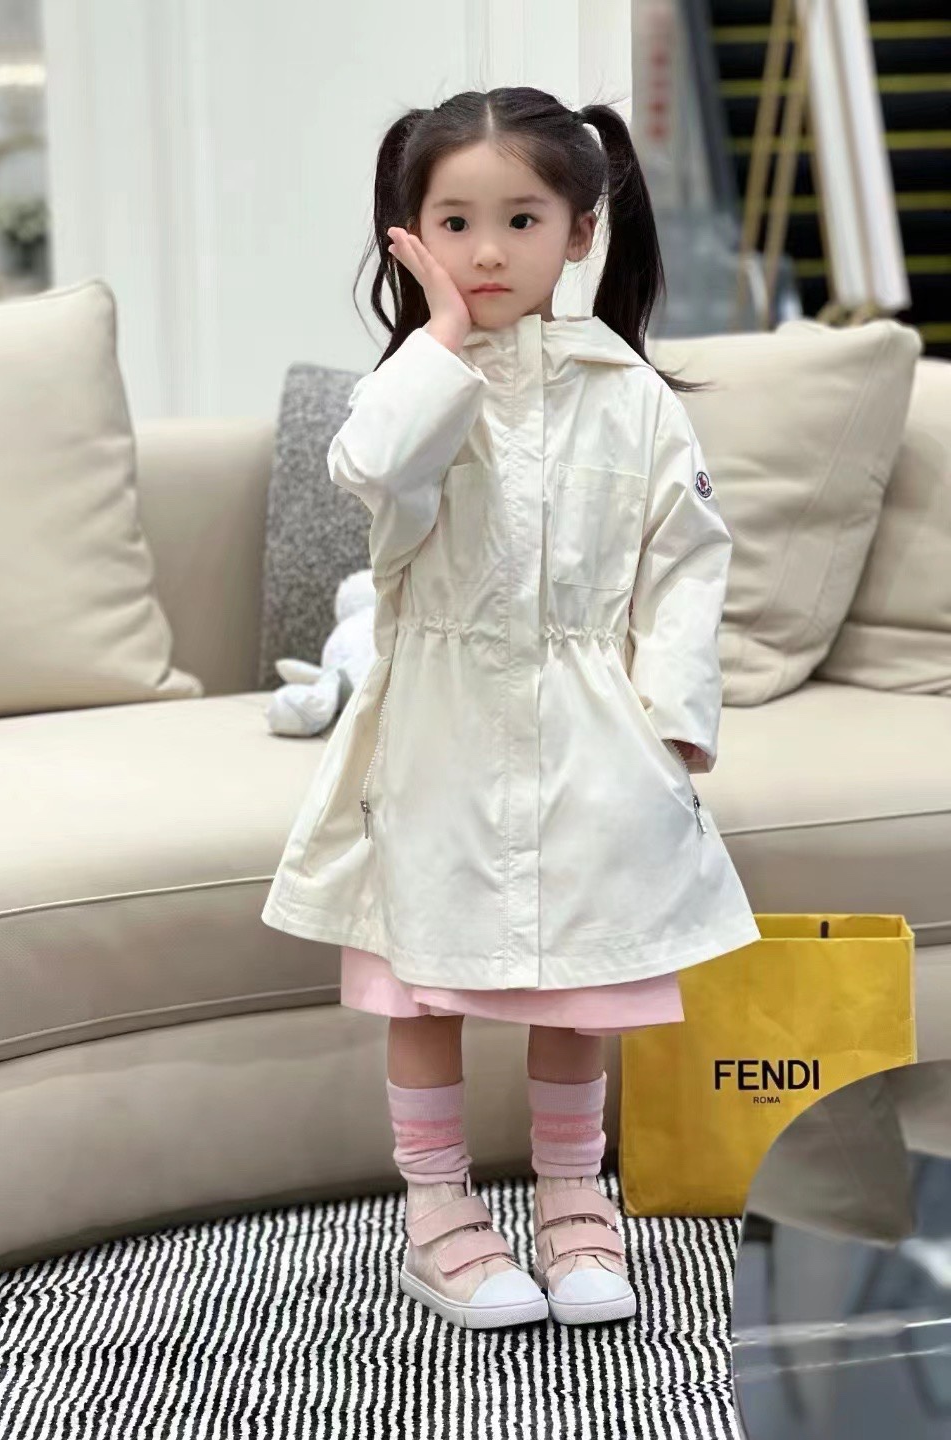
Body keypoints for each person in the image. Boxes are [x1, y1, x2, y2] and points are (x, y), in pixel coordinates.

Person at [261, 86, 761, 1331]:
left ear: (581, 231)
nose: (488, 250)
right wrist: (437, 337)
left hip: (593, 732)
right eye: (456, 222)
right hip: (435, 732)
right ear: (411, 236)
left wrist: (674, 717)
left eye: (522, 219)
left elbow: (688, 560)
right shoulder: (412, 390)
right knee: (422, 984)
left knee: (580, 987)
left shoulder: (632, 396)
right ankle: (437, 1215)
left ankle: (572, 1200)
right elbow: (369, 469)